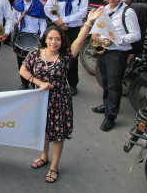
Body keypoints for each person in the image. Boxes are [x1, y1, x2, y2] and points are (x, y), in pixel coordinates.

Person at [20, 10, 102, 184]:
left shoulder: (66, 55)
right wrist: (38, 82)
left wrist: (88, 22)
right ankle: (44, 156)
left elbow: (79, 40)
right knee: (43, 131)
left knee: (57, 134)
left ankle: (54, 166)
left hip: (59, 100)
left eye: (57, 39)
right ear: (45, 39)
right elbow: (23, 70)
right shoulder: (36, 52)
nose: (53, 42)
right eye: (50, 38)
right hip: (39, 99)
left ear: (62, 40)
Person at [91, 0, 141, 131]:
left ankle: (111, 116)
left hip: (117, 53)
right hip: (103, 51)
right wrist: (95, 34)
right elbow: (99, 26)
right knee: (105, 81)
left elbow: (136, 35)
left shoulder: (128, 12)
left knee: (114, 85)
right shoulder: (105, 9)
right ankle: (107, 105)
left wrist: (116, 39)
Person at [44, 0, 89, 96]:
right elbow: (48, 8)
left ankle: (73, 84)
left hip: (73, 29)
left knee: (72, 57)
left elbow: (82, 13)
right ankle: (55, 82)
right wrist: (58, 21)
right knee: (55, 55)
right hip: (58, 28)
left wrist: (63, 20)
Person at [12, 0, 47, 90]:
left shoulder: (38, 5)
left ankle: (34, 83)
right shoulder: (17, 4)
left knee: (35, 62)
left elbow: (42, 22)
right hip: (20, 35)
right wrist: (14, 23)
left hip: (34, 36)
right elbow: (13, 18)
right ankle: (24, 83)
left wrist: (42, 36)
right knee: (21, 61)